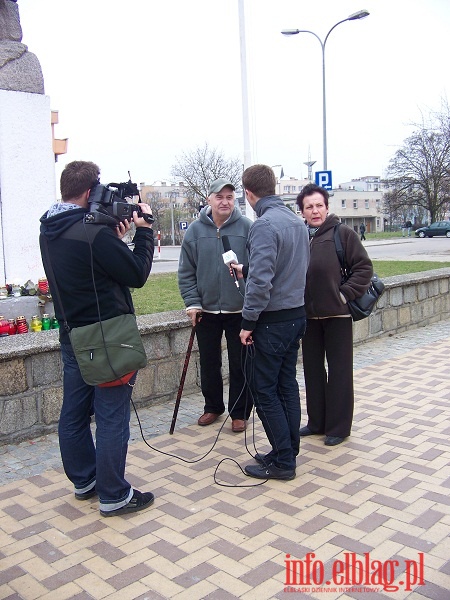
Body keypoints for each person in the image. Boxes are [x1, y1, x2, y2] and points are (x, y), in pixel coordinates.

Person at [39, 161, 155, 517]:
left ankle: (85, 481)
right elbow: (136, 274)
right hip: (106, 338)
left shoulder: (49, 229)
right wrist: (145, 232)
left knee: (74, 413)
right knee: (111, 416)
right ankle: (114, 494)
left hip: (72, 335)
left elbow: (87, 264)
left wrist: (113, 239)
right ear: (90, 193)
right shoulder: (93, 233)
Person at [236, 164, 309, 480]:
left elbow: (262, 284)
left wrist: (248, 322)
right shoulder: (296, 221)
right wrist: (247, 270)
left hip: (272, 323)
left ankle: (283, 460)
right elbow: (283, 270)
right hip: (295, 317)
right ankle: (287, 449)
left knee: (264, 389)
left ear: (248, 193)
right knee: (285, 385)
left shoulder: (263, 226)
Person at [296, 183, 373, 446]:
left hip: (338, 315)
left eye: (319, 205)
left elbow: (363, 268)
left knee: (339, 371)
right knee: (313, 371)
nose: (315, 211)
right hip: (308, 318)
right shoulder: (300, 237)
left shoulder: (343, 234)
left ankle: (338, 427)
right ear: (302, 211)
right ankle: (317, 422)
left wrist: (344, 294)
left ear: (327, 207)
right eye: (309, 207)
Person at [178, 178, 252, 432]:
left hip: (239, 310)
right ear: (209, 199)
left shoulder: (247, 228)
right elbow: (186, 272)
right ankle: (213, 406)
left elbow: (258, 270)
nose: (225, 202)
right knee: (209, 362)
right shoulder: (195, 231)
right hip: (206, 310)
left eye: (229, 197)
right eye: (219, 197)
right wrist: (192, 303)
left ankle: (239, 412)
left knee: (240, 363)